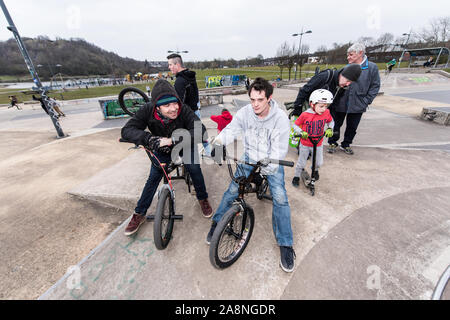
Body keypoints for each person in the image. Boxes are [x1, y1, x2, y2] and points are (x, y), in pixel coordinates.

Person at [207, 77, 296, 273]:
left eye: (260, 100)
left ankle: (286, 244)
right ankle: (217, 223)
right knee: (232, 190)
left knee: (280, 198)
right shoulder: (245, 113)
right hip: (249, 156)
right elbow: (232, 129)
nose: (255, 104)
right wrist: (218, 143)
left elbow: (280, 149)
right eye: (252, 99)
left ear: (269, 98)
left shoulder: (280, 118)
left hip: (271, 160)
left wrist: (268, 167)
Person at [121, 79, 213, 236]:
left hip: (184, 144)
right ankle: (139, 213)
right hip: (161, 148)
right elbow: (127, 130)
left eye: (175, 103)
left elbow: (200, 130)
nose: (173, 108)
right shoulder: (147, 110)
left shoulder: (183, 109)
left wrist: (173, 140)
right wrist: (149, 139)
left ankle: (202, 198)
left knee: (194, 169)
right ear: (157, 106)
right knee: (153, 177)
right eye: (167, 105)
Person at [327, 43, 381, 155]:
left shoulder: (371, 68)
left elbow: (375, 86)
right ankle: (332, 142)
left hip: (358, 104)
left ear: (360, 53)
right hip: (341, 103)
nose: (348, 57)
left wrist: (366, 101)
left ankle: (346, 144)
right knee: (335, 124)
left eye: (351, 55)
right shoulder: (346, 67)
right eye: (348, 55)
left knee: (352, 127)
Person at [167, 53, 211, 155]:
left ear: (177, 64)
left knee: (189, 138)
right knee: (199, 131)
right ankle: (209, 151)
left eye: (170, 65)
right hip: (195, 110)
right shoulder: (189, 75)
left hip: (188, 114)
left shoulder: (180, 81)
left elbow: (179, 103)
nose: (169, 68)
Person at [291, 89, 334, 187]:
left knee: (319, 162)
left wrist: (330, 128)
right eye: (321, 106)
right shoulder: (305, 114)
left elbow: (331, 121)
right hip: (305, 143)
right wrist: (301, 132)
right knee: (301, 162)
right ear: (312, 104)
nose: (323, 109)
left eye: (326, 106)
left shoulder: (326, 112)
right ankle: (296, 176)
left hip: (318, 143)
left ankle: (315, 170)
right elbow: (295, 125)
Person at [290, 63, 362, 118]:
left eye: (350, 82)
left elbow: (334, 103)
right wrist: (297, 109)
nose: (348, 84)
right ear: (342, 74)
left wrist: (332, 122)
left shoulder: (342, 87)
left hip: (320, 114)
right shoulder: (325, 76)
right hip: (306, 110)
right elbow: (304, 90)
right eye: (347, 80)